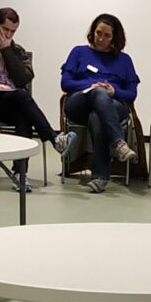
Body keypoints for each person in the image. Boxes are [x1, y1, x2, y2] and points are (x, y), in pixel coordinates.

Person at [0, 6, 65, 191]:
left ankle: (20, 173)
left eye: (12, 31)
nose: (8, 35)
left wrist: (6, 51)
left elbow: (24, 79)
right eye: (5, 30)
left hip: (11, 101)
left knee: (22, 112)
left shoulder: (18, 51)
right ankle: (53, 139)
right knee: (22, 96)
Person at [60, 13, 141, 194]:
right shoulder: (79, 52)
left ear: (114, 38)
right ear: (93, 32)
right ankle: (118, 142)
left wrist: (115, 92)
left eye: (107, 35)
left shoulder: (124, 60)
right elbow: (65, 83)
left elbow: (131, 94)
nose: (101, 39)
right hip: (79, 103)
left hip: (113, 104)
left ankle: (100, 178)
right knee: (98, 92)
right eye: (98, 33)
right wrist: (91, 86)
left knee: (97, 117)